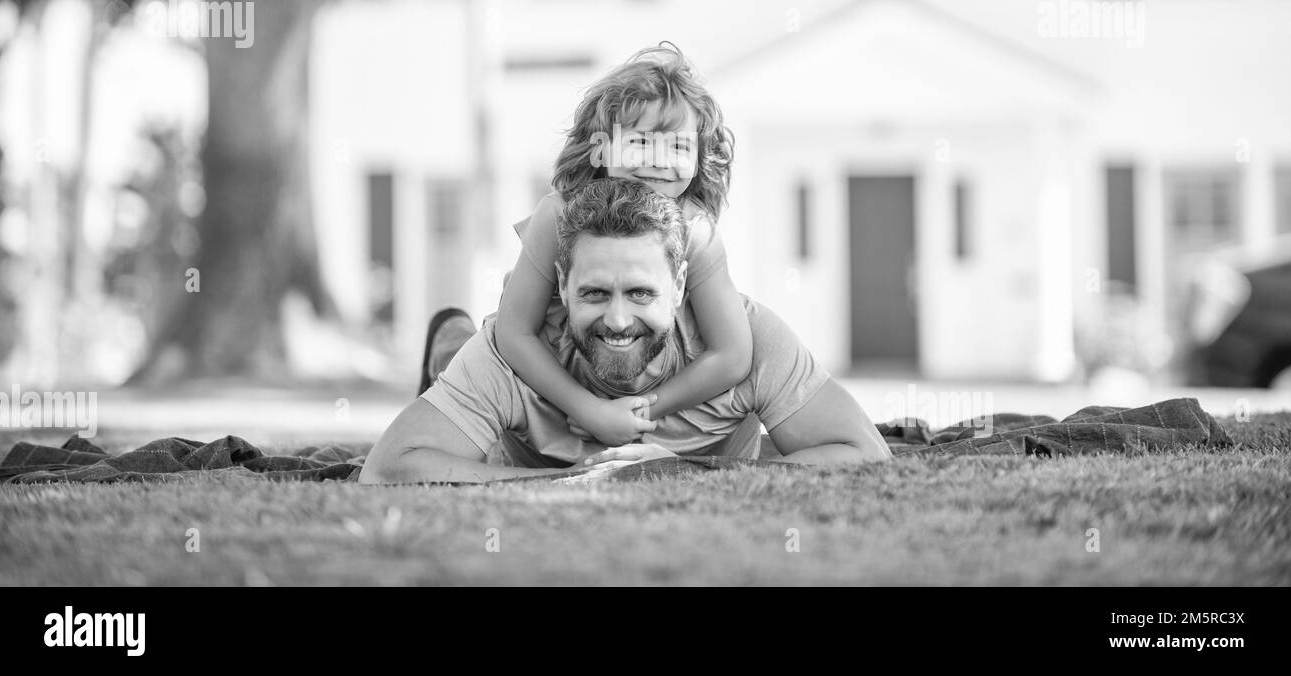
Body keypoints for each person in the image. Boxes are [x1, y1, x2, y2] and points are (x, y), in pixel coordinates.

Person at [359, 178, 892, 484]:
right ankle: (452, 345)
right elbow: (385, 472)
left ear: (680, 286)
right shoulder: (514, 349)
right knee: (463, 359)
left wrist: (681, 471)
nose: (617, 320)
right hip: (498, 388)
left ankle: (452, 349)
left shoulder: (744, 337)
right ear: (562, 283)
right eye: (595, 294)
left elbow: (865, 453)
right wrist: (579, 481)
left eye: (640, 293)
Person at [491, 43, 752, 447]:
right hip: (547, 368)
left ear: (699, 157)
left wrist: (641, 409)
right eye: (641, 142)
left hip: (632, 368)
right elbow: (513, 332)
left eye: (679, 146)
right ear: (600, 149)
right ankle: (448, 339)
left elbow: (732, 354)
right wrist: (586, 409)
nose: (659, 160)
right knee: (458, 357)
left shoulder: (695, 233)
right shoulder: (558, 216)